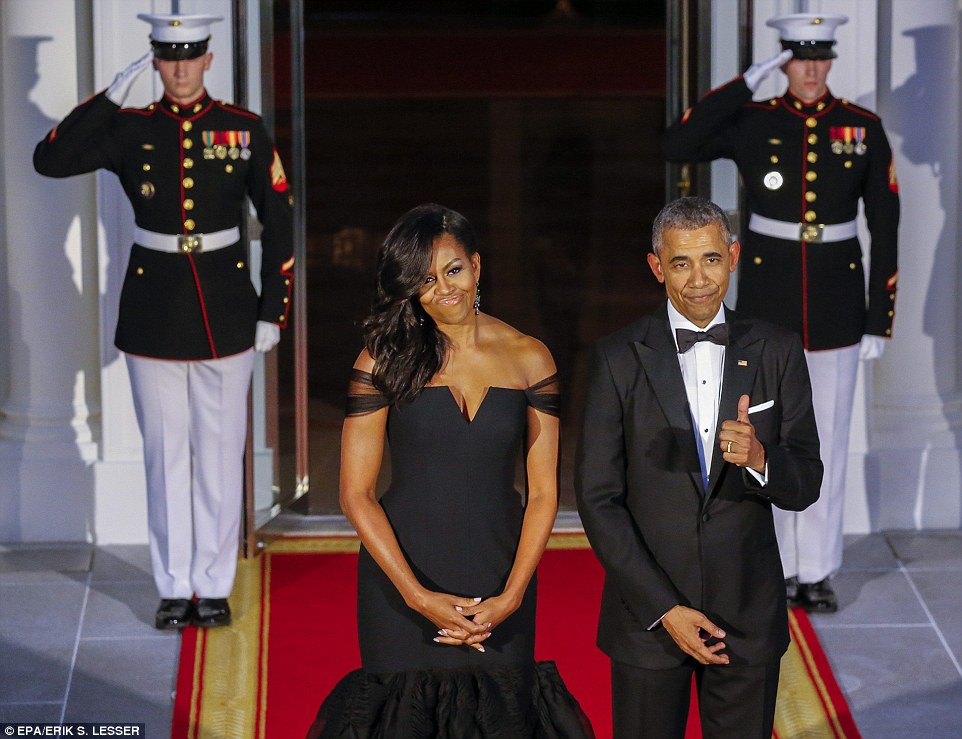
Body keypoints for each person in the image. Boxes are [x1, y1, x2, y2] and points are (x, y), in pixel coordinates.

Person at [33, 13, 294, 630]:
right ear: (154, 61)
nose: (179, 67)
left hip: (227, 309)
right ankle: (175, 586)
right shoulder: (129, 129)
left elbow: (280, 218)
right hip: (153, 310)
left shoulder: (242, 130)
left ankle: (213, 583)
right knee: (165, 455)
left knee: (221, 451)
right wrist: (107, 99)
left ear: (208, 59)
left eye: (190, 55)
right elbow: (51, 160)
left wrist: (272, 308)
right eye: (168, 55)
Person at [306, 204, 592, 738]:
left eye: (453, 270)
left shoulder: (531, 357)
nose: (444, 289)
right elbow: (356, 494)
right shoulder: (382, 358)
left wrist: (511, 596)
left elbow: (544, 493)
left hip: (500, 571)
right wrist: (417, 596)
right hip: (402, 575)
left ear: (477, 266)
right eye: (425, 279)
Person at [662, 13, 899, 613]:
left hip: (838, 306)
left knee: (829, 439)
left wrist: (878, 317)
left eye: (821, 57)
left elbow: (886, 225)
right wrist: (744, 82)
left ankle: (815, 569)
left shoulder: (860, 127)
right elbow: (677, 142)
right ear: (784, 63)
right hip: (766, 302)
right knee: (761, 432)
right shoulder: (753, 121)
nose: (812, 69)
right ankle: (773, 562)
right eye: (799, 58)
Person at [575, 197, 822, 738]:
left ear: (733, 256)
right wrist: (664, 608)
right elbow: (597, 499)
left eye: (710, 259)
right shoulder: (617, 358)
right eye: (681, 263)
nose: (698, 279)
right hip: (648, 620)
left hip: (747, 616)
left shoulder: (778, 350)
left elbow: (805, 482)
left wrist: (761, 459)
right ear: (657, 266)